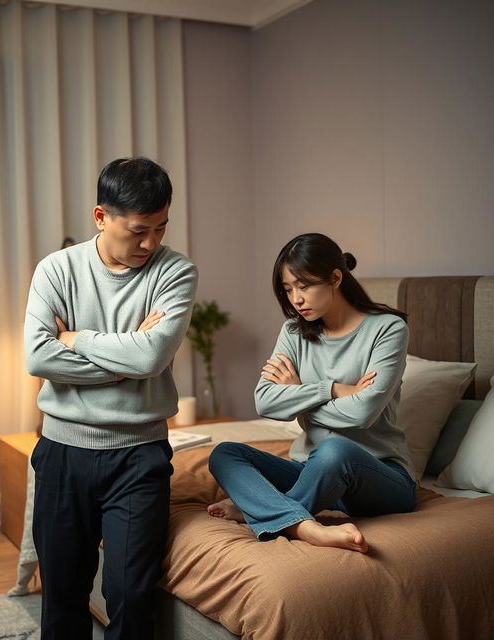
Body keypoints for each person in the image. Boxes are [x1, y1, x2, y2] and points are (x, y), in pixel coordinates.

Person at [24, 157, 198, 640]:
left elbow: (151, 359)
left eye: (161, 228)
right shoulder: (57, 270)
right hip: (62, 453)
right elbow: (39, 358)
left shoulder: (176, 272)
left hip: (139, 458)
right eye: (139, 230)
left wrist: (76, 338)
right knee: (62, 597)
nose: (151, 243)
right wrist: (125, 367)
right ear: (101, 217)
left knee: (131, 597)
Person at [207, 232, 416, 553]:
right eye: (288, 289)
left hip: (379, 476)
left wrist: (296, 394)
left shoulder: (387, 329)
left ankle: (270, 512)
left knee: (335, 449)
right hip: (312, 471)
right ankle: (300, 522)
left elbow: (362, 413)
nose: (296, 299)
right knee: (225, 453)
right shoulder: (294, 331)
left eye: (304, 286)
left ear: (335, 278)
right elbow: (264, 402)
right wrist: (331, 388)